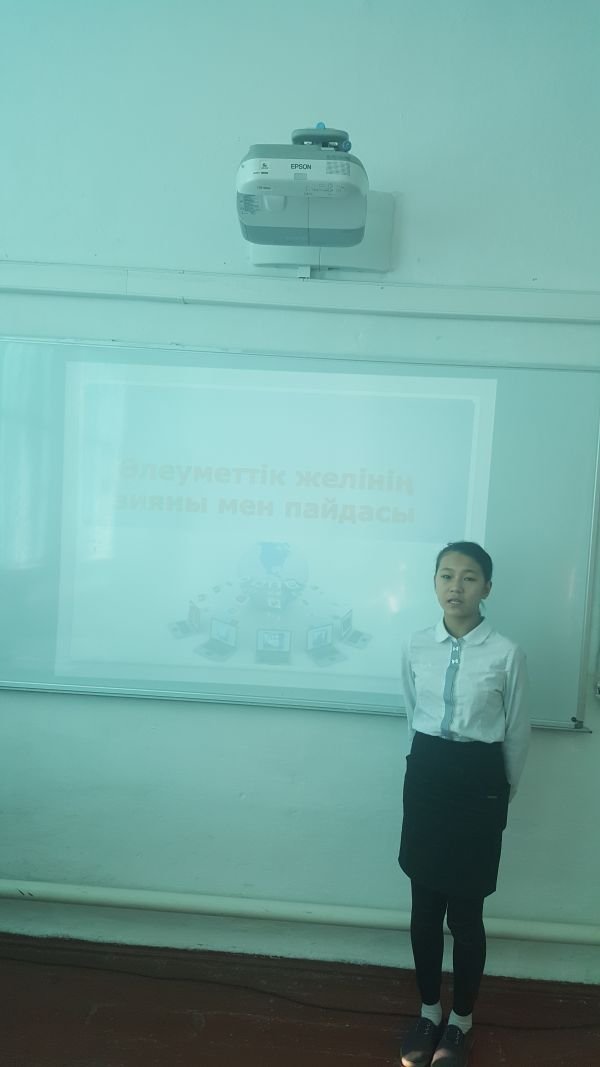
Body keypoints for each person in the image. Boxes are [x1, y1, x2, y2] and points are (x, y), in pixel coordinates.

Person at [398, 541, 529, 1067]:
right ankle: (429, 1012)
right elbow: (412, 711)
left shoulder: (507, 653)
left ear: (486, 588)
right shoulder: (415, 645)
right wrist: (429, 766)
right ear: (434, 583)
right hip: (428, 775)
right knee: (424, 909)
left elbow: (516, 733)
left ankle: (461, 1021)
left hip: (480, 782)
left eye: (469, 577)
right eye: (446, 575)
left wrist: (498, 796)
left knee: (467, 914)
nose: (456, 586)